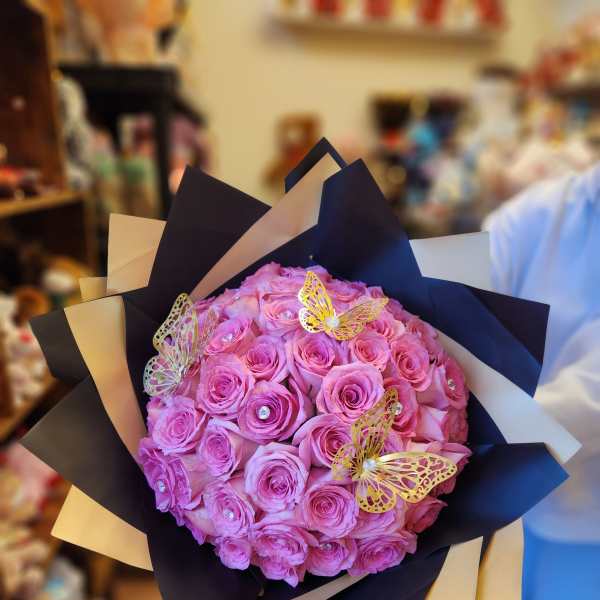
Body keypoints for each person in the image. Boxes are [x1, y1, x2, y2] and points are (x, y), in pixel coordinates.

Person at [484, 163, 600, 599]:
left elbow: (590, 399)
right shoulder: (535, 215)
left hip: (580, 519)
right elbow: (454, 307)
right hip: (533, 515)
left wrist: (469, 431)